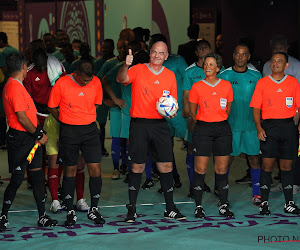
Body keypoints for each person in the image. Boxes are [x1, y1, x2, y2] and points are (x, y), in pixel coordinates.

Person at [117, 41, 186, 222]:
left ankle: (170, 208)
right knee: (137, 166)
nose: (157, 55)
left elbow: (173, 102)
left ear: (166, 56)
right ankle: (131, 209)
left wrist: (171, 112)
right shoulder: (138, 69)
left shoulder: (170, 75)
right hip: (139, 124)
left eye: (160, 53)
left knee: (167, 166)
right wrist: (126, 65)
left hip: (160, 125)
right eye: (154, 52)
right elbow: (122, 79)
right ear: (150, 53)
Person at [0, 52, 57, 232]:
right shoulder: (14, 87)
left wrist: (37, 135)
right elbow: (22, 118)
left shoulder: (17, 85)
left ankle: (42, 217)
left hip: (30, 139)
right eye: (26, 67)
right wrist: (39, 134)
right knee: (17, 179)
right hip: (20, 139)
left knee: (38, 177)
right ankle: (3, 216)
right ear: (23, 67)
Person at [48, 60, 105, 226]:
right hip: (69, 132)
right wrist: (65, 120)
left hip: (90, 131)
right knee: (70, 169)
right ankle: (70, 212)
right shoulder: (62, 83)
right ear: (75, 73)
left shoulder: (96, 82)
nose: (86, 83)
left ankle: (94, 209)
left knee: (95, 168)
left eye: (89, 80)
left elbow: (96, 103)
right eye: (83, 80)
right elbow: (52, 107)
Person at [250, 52, 300, 215]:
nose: (275, 63)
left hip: (288, 128)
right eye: (273, 61)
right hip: (269, 128)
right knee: (267, 166)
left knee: (287, 167)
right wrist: (259, 127)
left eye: (280, 61)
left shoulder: (293, 82)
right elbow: (256, 108)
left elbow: (298, 107)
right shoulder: (263, 83)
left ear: (286, 65)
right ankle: (264, 203)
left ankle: (289, 203)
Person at [189, 53, 234, 218]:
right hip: (203, 130)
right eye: (206, 64)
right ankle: (199, 206)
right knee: (200, 169)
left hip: (222, 130)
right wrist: (205, 122)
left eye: (211, 64)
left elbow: (227, 110)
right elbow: (193, 112)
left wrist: (217, 120)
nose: (207, 67)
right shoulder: (197, 86)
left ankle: (223, 205)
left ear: (218, 68)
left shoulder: (227, 86)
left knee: (221, 169)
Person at [220, 43, 262, 206]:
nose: (240, 57)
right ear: (233, 55)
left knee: (254, 159)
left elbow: (261, 101)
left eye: (243, 54)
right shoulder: (225, 75)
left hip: (251, 126)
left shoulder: (256, 75)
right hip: (231, 126)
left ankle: (257, 194)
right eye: (237, 53)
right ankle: (222, 196)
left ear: (248, 57)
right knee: (227, 161)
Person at [182, 40, 214, 198]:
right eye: (200, 48)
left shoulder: (216, 68)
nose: (203, 50)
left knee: (207, 151)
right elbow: (186, 95)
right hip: (196, 118)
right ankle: (193, 185)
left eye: (206, 47)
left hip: (213, 118)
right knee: (191, 149)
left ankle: (201, 182)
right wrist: (189, 115)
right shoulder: (189, 71)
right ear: (196, 53)